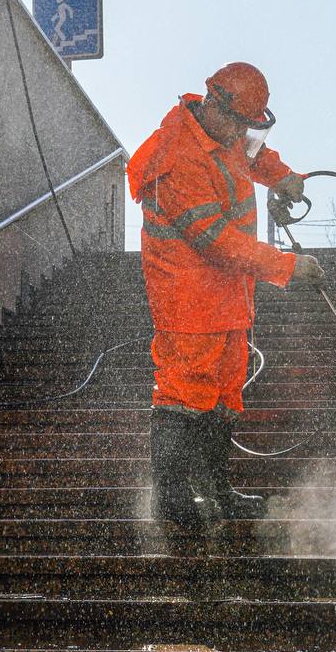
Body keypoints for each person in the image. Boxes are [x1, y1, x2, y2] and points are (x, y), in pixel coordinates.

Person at [127, 62, 324, 532]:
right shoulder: (177, 158)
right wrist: (288, 268)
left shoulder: (226, 130)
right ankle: (172, 499)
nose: (241, 133)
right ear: (214, 102)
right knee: (184, 390)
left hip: (227, 293)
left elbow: (252, 155)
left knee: (224, 391)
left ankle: (217, 490)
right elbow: (216, 241)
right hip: (186, 297)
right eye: (237, 122)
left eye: (247, 125)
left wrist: (284, 177)